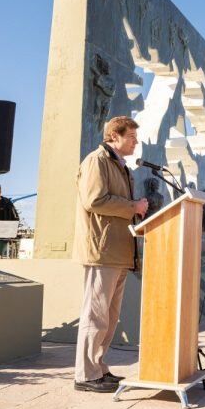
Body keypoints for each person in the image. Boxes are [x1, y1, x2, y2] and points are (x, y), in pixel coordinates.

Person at [73, 116, 148, 393]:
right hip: (102, 249)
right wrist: (133, 206)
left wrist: (136, 209)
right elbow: (94, 200)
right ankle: (85, 374)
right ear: (114, 136)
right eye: (131, 137)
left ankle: (99, 367)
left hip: (118, 250)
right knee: (95, 314)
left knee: (110, 316)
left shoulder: (119, 165)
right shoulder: (97, 161)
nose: (135, 142)